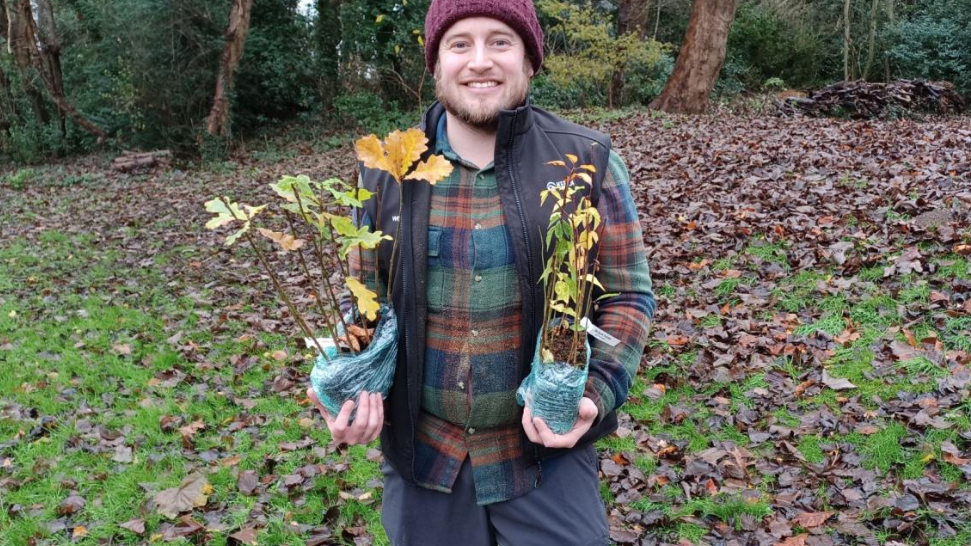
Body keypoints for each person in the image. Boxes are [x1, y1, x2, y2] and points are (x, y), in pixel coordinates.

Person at [307, 0, 655, 543]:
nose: (480, 61)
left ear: (530, 59)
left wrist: (596, 392)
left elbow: (628, 296)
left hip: (542, 456)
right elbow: (364, 301)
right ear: (436, 62)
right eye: (460, 43)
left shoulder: (589, 161)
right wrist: (346, 387)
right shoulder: (385, 172)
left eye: (500, 41)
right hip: (427, 457)